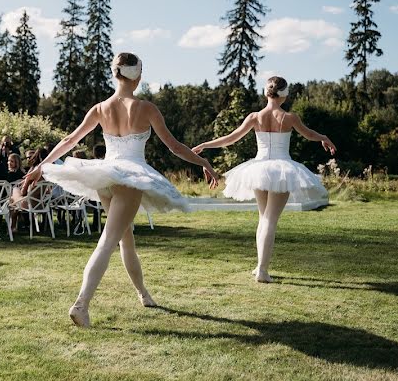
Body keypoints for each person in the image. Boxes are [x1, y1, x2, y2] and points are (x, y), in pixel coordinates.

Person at [24, 52, 218, 328]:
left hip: (106, 177)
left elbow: (69, 140)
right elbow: (174, 146)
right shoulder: (145, 107)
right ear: (137, 77)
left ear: (115, 74)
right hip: (129, 177)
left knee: (126, 241)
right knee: (108, 240)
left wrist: (41, 166)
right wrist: (204, 162)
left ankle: (143, 293)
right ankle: (81, 304)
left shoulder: (100, 108)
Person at [193, 76, 335, 283]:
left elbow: (231, 138)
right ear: (284, 95)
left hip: (258, 169)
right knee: (270, 219)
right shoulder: (289, 118)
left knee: (263, 218)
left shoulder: (255, 116)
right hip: (282, 168)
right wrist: (325, 138)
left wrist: (205, 144)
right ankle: (262, 269)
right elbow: (309, 134)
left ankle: (260, 266)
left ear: (266, 93)